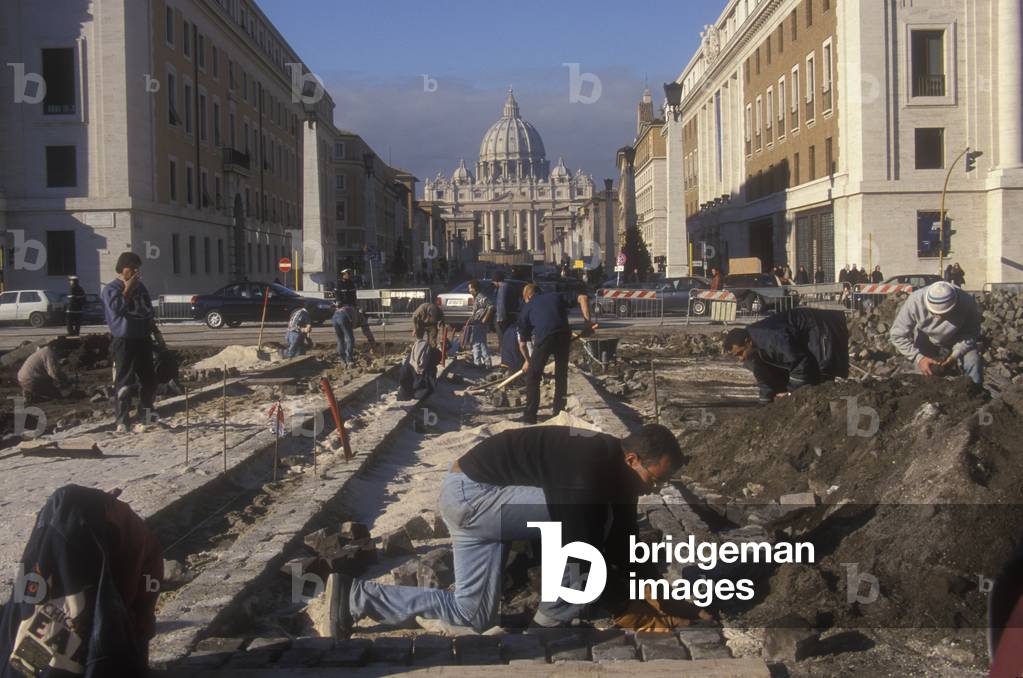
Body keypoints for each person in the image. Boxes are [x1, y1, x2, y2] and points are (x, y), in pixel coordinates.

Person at [311, 424, 686, 636]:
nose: (656, 488)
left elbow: (624, 538)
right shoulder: (590, 473)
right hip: (475, 495)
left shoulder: (619, 474)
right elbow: (580, 544)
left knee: (473, 615)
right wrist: (623, 605)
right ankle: (548, 626)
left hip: (474, 501)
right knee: (582, 525)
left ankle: (356, 597)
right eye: (657, 479)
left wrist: (653, 589)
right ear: (634, 459)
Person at [724, 308, 850, 404]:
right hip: (804, 332)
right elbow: (764, 375)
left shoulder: (771, 339)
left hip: (821, 327)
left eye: (740, 353)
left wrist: (791, 393)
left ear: (748, 342)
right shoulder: (753, 351)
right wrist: (765, 401)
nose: (741, 358)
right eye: (737, 356)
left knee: (823, 370)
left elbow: (799, 363)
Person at [101, 251, 163, 433]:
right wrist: (127, 289)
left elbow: (147, 313)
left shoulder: (141, 288)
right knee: (125, 382)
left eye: (137, 269)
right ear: (122, 269)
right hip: (124, 340)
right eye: (131, 268)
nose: (135, 272)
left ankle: (146, 416)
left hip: (143, 338)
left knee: (149, 380)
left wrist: (158, 336)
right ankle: (122, 420)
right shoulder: (111, 289)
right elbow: (117, 310)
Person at [516, 285, 596, 424]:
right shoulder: (555, 296)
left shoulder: (527, 308)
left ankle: (530, 416)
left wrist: (528, 360)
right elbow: (583, 297)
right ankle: (559, 411)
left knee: (533, 377)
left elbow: (523, 343)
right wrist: (587, 324)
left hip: (545, 337)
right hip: (563, 335)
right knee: (561, 375)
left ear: (528, 296)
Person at [889, 281, 983, 385]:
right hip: (926, 338)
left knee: (973, 362)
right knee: (924, 373)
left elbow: (972, 332)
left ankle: (975, 394)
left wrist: (955, 355)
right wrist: (919, 358)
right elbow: (897, 335)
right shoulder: (915, 301)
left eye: (944, 314)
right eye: (935, 314)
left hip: (957, 337)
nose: (939, 318)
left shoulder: (967, 302)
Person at [467, 279, 493, 368]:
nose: (469, 290)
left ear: (474, 288)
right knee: (479, 343)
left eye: (470, 288)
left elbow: (491, 306)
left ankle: (482, 363)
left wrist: (485, 318)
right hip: (477, 322)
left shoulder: (481, 297)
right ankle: (481, 362)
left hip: (480, 323)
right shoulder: (477, 297)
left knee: (478, 343)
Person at [493, 271, 514, 337]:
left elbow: (501, 303)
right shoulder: (507, 286)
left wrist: (499, 318)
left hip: (502, 318)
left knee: (502, 337)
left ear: (496, 280)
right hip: (508, 315)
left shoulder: (502, 288)